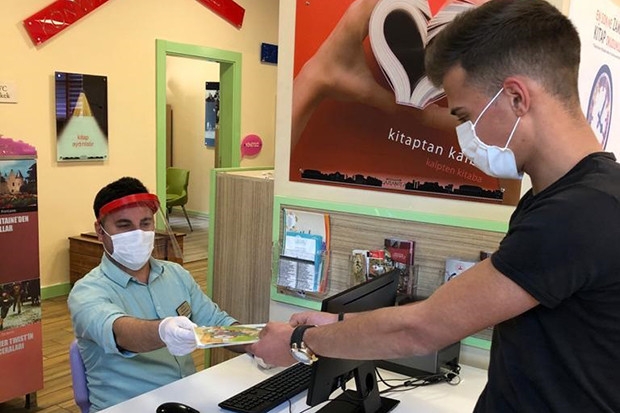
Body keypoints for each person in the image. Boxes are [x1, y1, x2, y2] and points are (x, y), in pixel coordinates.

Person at [251, 0, 620, 411]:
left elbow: (422, 328)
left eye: (465, 116)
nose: (463, 134)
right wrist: (337, 323)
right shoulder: (567, 196)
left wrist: (300, 342)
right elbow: (440, 314)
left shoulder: (579, 213)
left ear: (517, 98)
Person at [68, 177, 247, 412]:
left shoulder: (176, 275)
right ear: (100, 232)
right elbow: (120, 332)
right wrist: (163, 330)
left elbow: (215, 324)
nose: (138, 233)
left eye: (145, 223)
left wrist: (255, 340)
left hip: (188, 398)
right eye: (124, 225)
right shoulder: (86, 292)